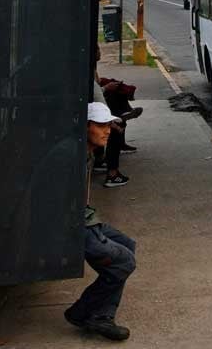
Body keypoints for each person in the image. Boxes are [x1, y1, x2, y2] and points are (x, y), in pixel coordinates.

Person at [65, 102, 136, 342]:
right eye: (100, 125)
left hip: (84, 217)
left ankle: (100, 314)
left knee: (128, 245)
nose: (107, 131)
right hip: (71, 224)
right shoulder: (71, 156)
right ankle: (84, 313)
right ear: (85, 127)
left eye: (108, 125)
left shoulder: (88, 151)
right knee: (123, 261)